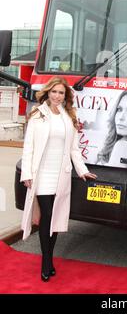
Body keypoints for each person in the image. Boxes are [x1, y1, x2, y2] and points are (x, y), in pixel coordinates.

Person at [20, 76, 97, 282]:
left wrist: (82, 170)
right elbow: (28, 147)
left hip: (60, 174)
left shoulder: (68, 116)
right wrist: (26, 173)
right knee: (46, 215)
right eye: (54, 91)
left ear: (66, 96)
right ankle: (46, 261)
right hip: (42, 173)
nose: (57, 96)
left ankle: (49, 258)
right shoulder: (38, 114)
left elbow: (74, 149)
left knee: (54, 217)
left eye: (61, 92)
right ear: (48, 92)